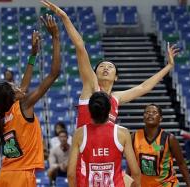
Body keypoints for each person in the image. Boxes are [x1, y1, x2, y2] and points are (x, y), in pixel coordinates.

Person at [41, 1, 178, 184]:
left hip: (108, 164)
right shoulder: (91, 87)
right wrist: (64, 17)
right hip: (87, 161)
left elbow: (144, 87)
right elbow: (80, 47)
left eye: (110, 67)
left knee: (135, 182)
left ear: (116, 77)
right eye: (102, 66)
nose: (105, 68)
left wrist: (168, 66)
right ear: (94, 73)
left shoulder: (116, 98)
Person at [0, 14, 60, 187]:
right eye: (14, 87)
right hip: (22, 177)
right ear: (13, 96)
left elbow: (24, 85)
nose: (19, 87)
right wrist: (56, 38)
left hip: (4, 176)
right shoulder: (22, 106)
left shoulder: (3, 117)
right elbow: (54, 74)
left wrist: (33, 54)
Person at [67, 92, 141, 187]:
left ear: (89, 110)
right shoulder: (122, 133)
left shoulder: (79, 133)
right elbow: (135, 172)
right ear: (110, 109)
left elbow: (71, 174)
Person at [131, 104, 190, 187]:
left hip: (166, 184)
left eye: (154, 112)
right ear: (143, 117)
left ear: (160, 118)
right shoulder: (134, 136)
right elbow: (130, 164)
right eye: (147, 112)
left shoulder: (169, 138)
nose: (150, 114)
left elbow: (181, 164)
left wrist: (189, 185)